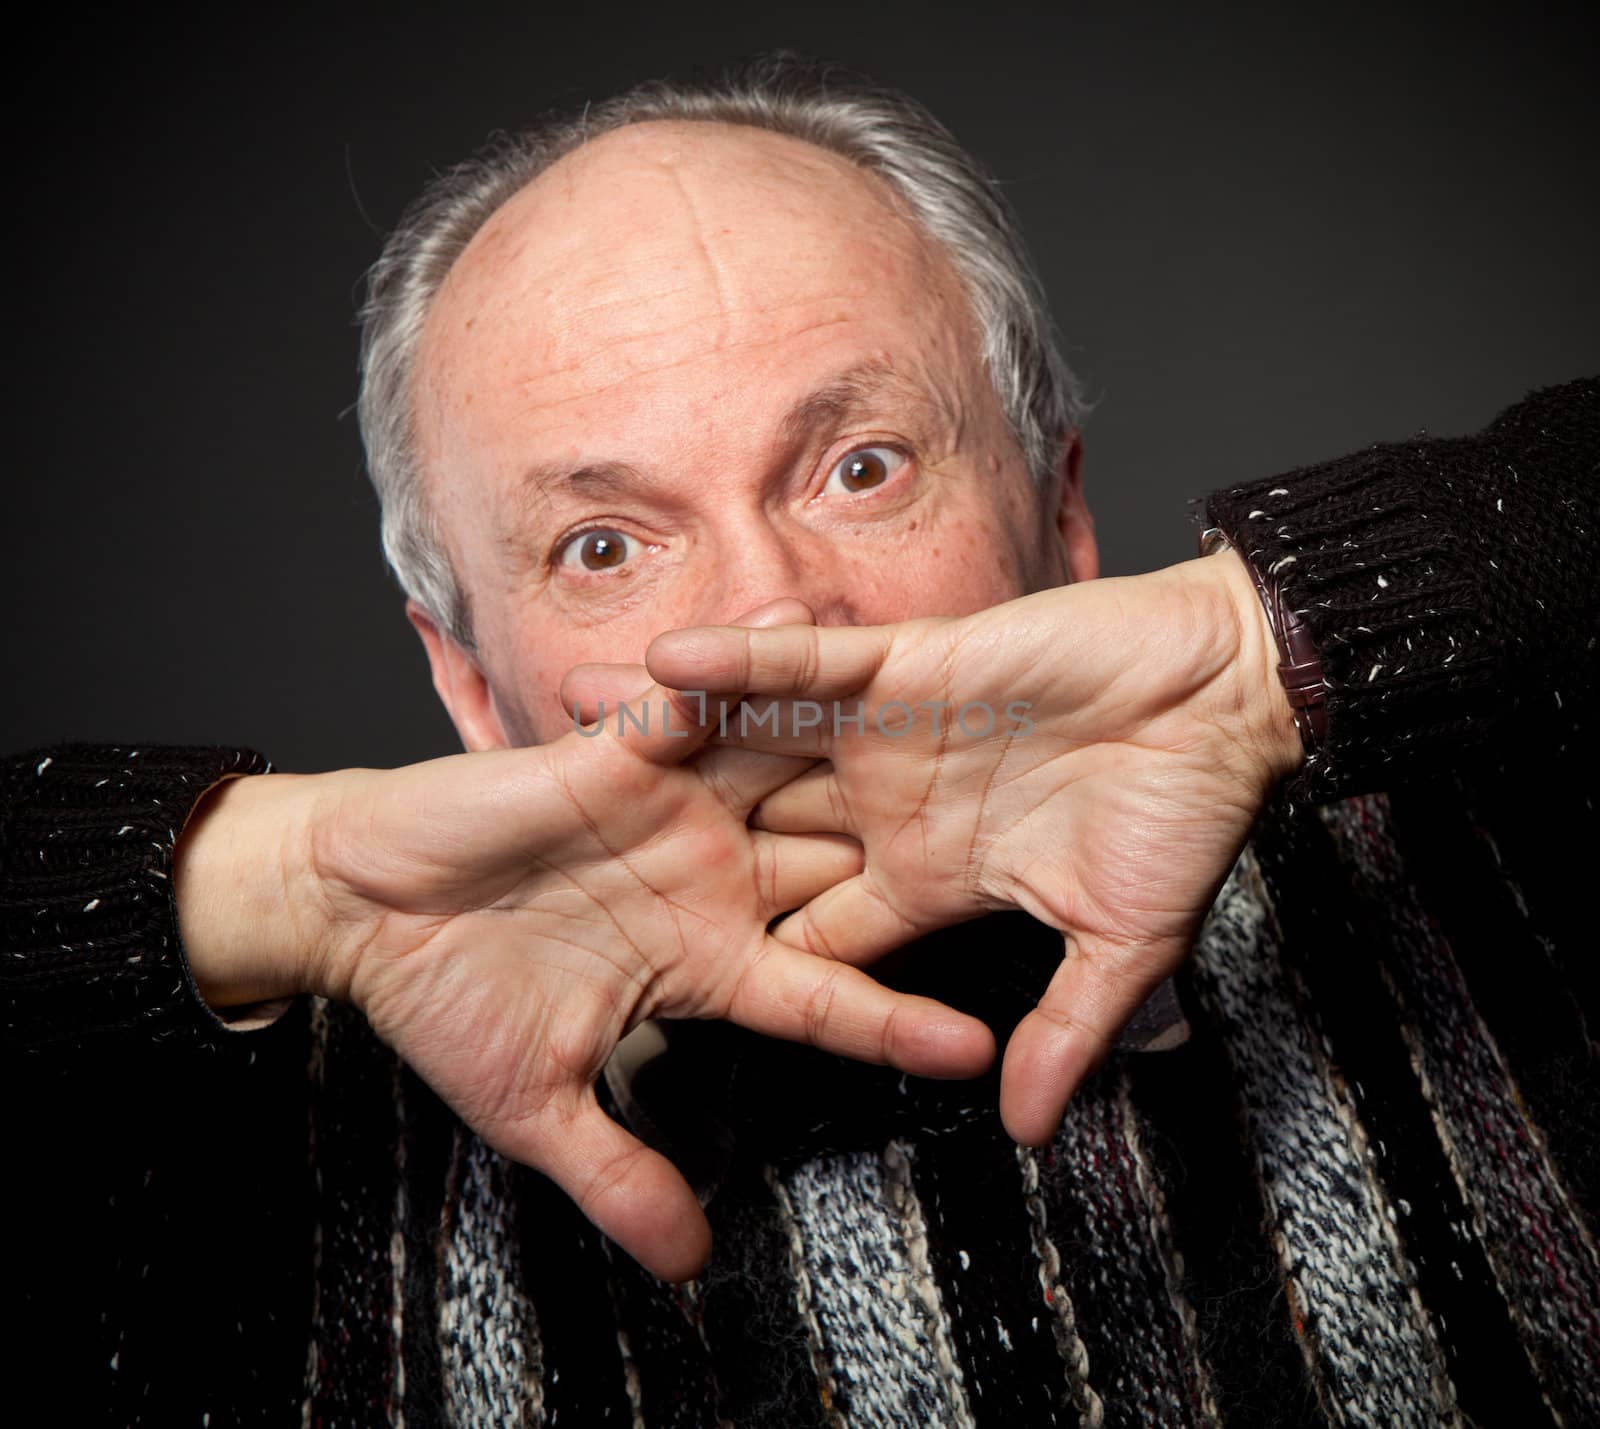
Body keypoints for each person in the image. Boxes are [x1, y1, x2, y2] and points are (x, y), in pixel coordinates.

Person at [5, 55, 1596, 1428]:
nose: (773, 624)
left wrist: (1280, 639)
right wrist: (251, 875)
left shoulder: (1490, 870)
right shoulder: (232, 1178)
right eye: (606, 546)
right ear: (473, 690)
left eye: (862, 466)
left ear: (1061, 515)